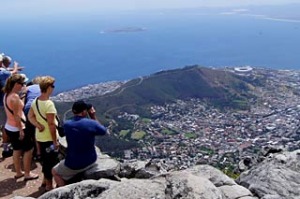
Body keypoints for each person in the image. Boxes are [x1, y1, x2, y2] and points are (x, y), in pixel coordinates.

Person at [52, 100, 108, 187]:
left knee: (54, 172)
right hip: (91, 160)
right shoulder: (91, 123)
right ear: (84, 112)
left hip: (73, 163)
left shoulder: (67, 125)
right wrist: (93, 116)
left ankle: (64, 191)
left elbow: (62, 133)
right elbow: (103, 131)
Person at [2, 74, 38, 180]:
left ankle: (18, 172)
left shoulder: (7, 94)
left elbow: (16, 108)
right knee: (29, 149)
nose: (23, 85)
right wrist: (21, 130)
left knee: (17, 149)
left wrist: (22, 97)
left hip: (9, 126)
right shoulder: (14, 97)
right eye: (21, 84)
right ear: (16, 84)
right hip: (18, 128)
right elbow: (17, 116)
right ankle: (27, 173)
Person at [28, 76, 58, 191]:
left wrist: (38, 125)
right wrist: (55, 142)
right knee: (50, 162)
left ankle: (45, 181)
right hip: (48, 138)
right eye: (53, 86)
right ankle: (49, 185)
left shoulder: (35, 101)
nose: (54, 88)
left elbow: (30, 116)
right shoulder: (49, 104)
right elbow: (51, 125)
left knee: (45, 160)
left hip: (40, 136)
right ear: (48, 87)